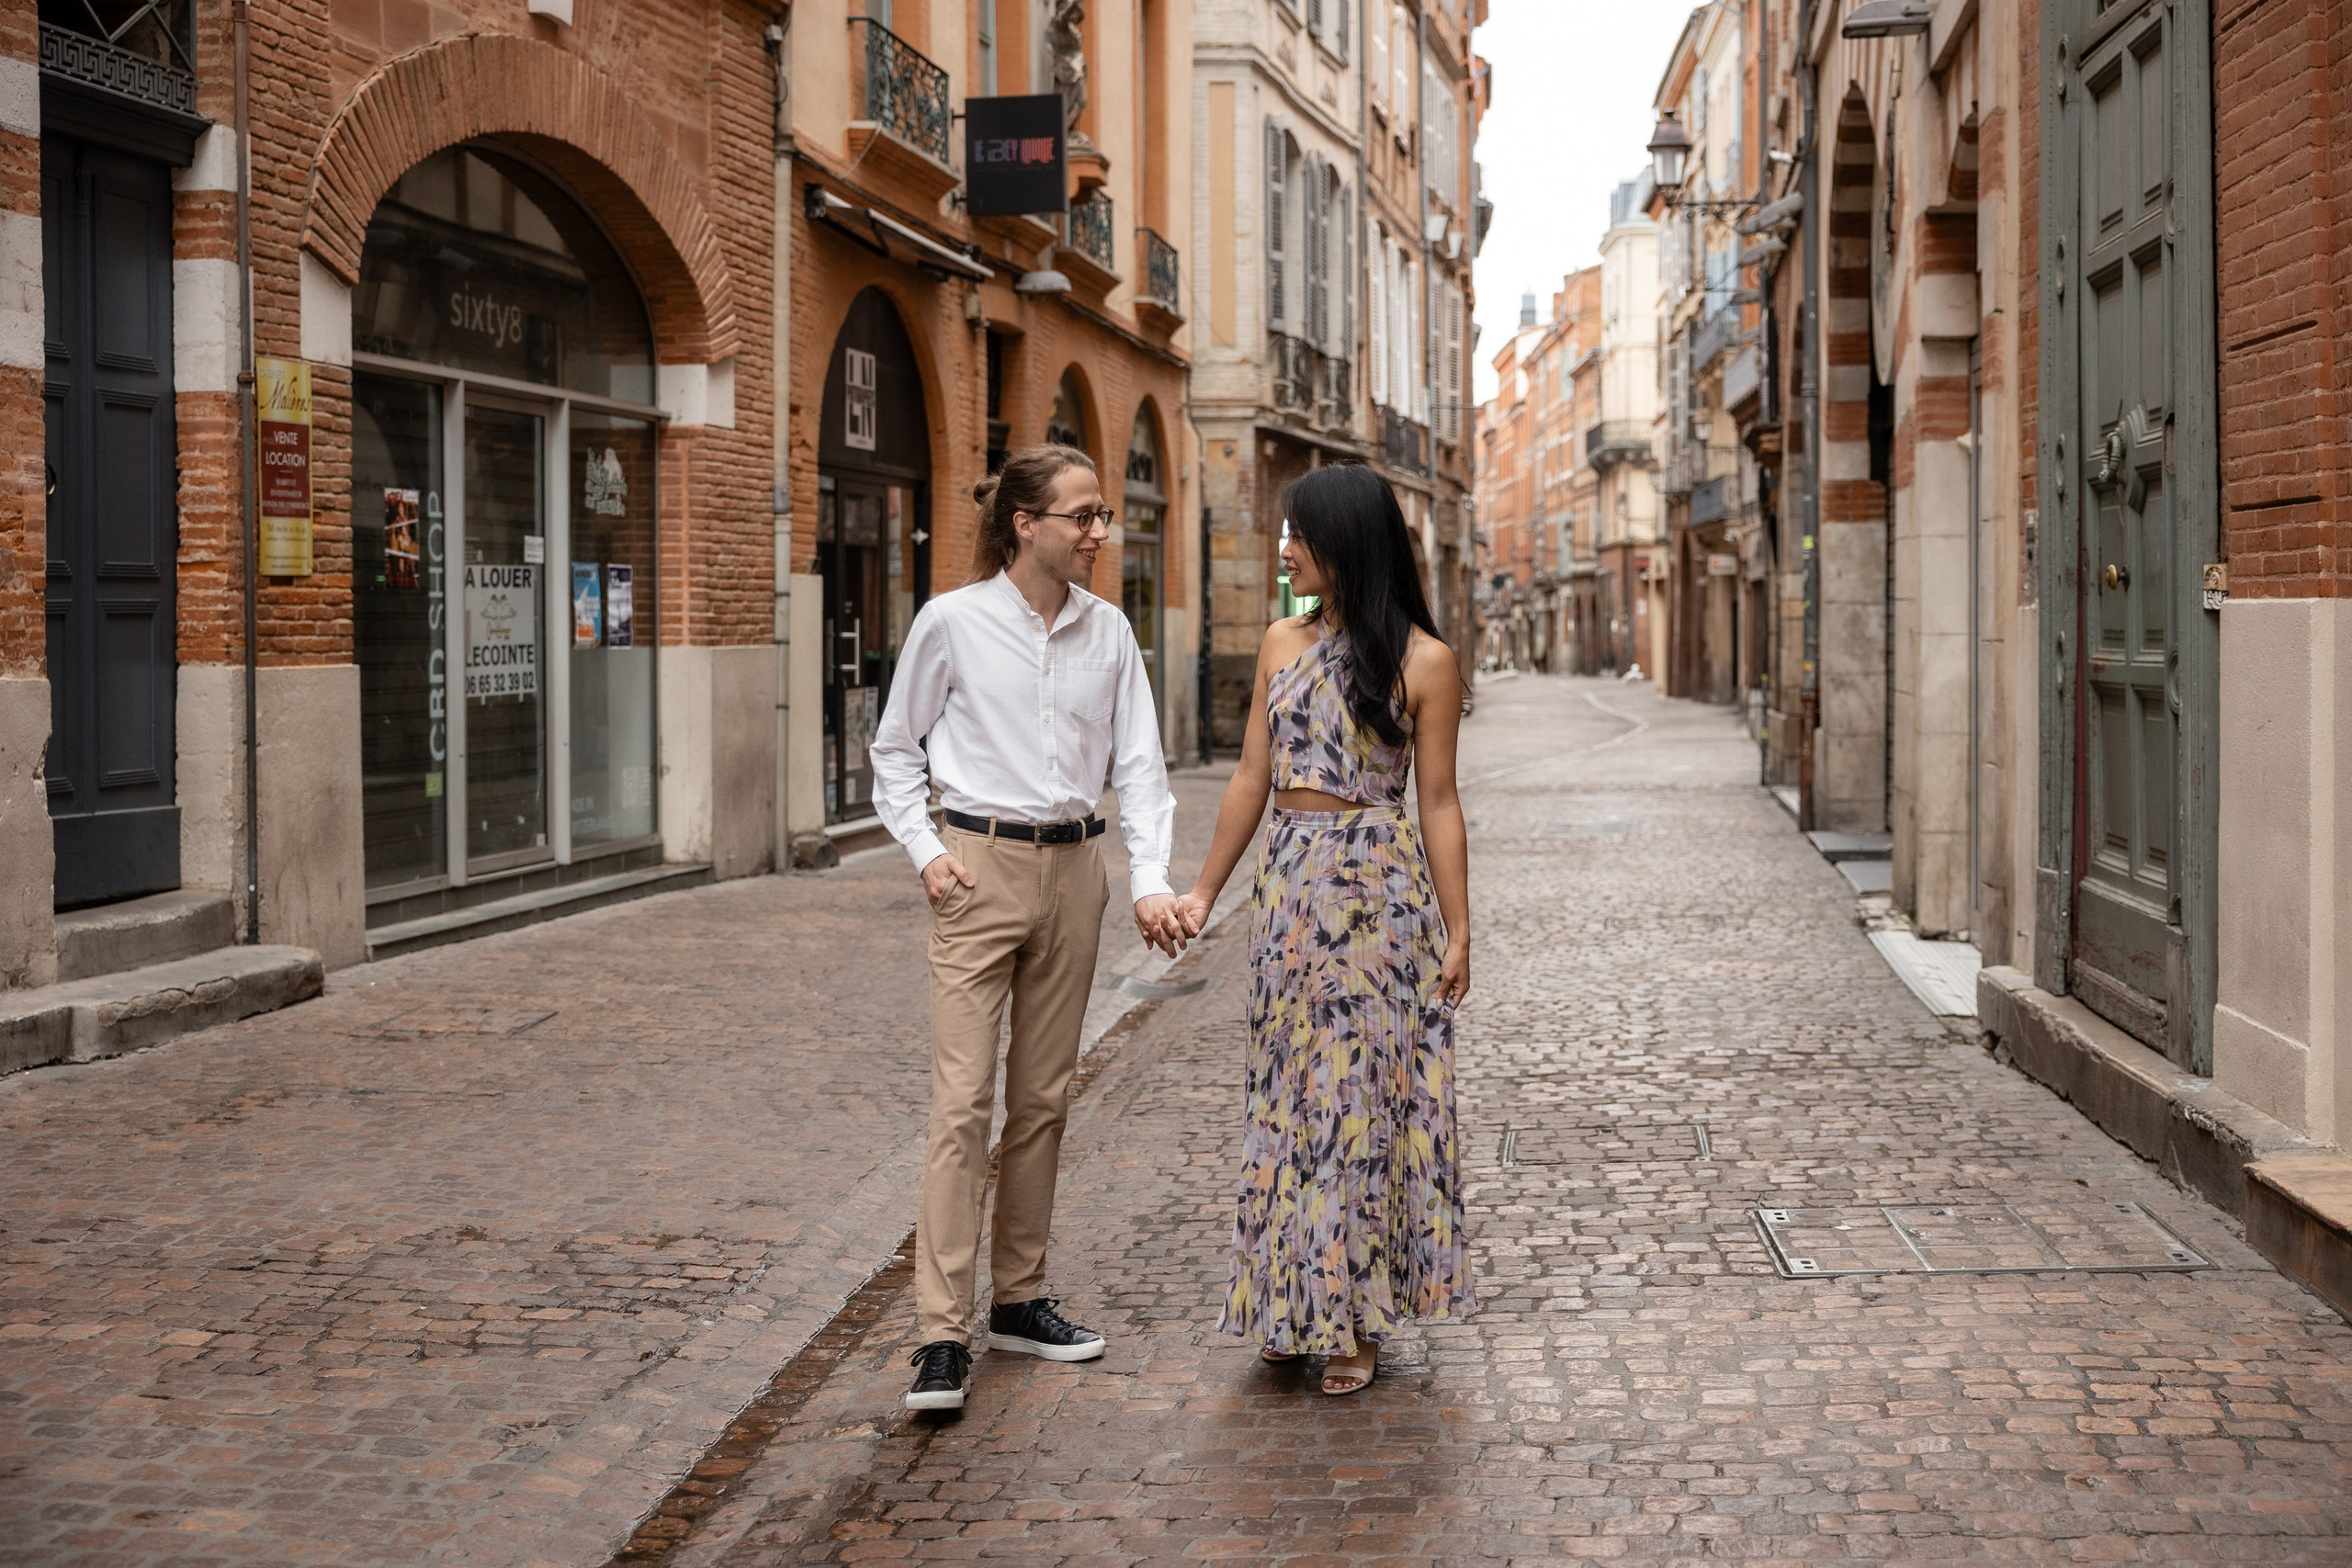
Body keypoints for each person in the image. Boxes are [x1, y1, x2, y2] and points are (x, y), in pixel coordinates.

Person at [870, 443, 1196, 1413]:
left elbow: (1138, 767)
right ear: (1026, 524)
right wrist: (927, 851)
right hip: (978, 868)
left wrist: (1148, 882)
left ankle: (1017, 1300)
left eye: (1102, 517)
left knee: (1042, 1099)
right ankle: (939, 1334)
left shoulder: (1109, 634)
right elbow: (894, 751)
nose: (1101, 532)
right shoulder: (952, 623)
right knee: (961, 1105)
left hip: (1075, 874)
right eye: (1083, 516)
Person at [1171, 463, 1476, 1396]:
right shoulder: (1276, 642)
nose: (1285, 548)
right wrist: (1203, 894)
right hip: (1290, 895)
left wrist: (1459, 928)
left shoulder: (1424, 660)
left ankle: (1350, 1317)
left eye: (1298, 534)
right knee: (1288, 1103)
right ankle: (1288, 1303)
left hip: (1378, 901)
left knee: (1360, 1111)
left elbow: (1438, 802)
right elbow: (1249, 782)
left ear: (1342, 542)